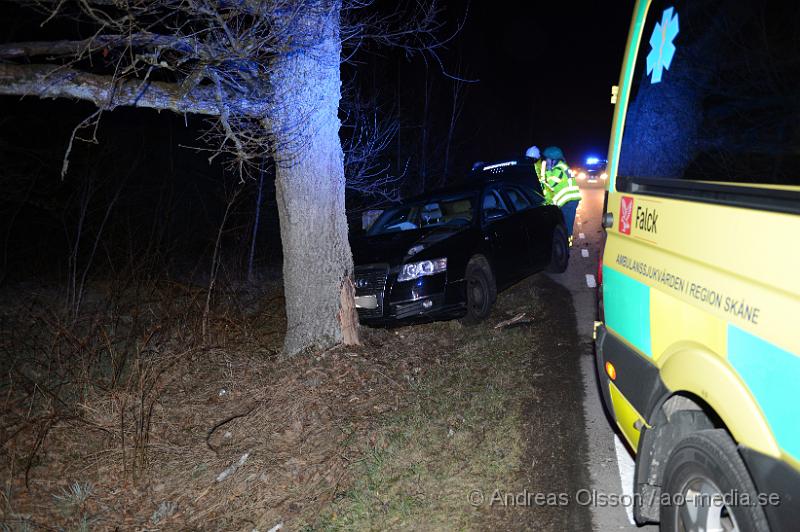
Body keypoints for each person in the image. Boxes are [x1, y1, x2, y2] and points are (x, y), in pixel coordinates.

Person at [542, 146, 581, 240]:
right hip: (568, 201)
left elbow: (550, 184)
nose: (546, 161)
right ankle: (566, 242)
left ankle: (567, 245)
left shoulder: (559, 169)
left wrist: (544, 170)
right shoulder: (561, 166)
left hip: (569, 202)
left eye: (547, 159)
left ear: (553, 160)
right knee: (564, 224)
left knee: (566, 225)